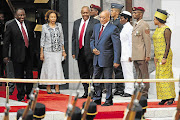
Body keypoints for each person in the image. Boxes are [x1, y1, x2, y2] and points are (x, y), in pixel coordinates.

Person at [90, 10, 121, 106]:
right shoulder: (96, 27)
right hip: (97, 58)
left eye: (104, 17)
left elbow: (117, 46)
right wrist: (93, 48)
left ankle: (108, 99)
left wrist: (116, 60)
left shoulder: (113, 28)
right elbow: (92, 39)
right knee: (96, 79)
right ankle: (97, 97)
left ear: (108, 18)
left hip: (107, 58)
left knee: (108, 80)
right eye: (100, 17)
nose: (101, 19)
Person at [3, 8, 34, 101]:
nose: (22, 17)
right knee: (19, 75)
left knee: (29, 75)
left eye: (23, 15)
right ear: (15, 15)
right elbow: (6, 42)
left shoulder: (29, 24)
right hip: (17, 54)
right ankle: (20, 95)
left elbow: (32, 38)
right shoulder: (10, 25)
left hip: (29, 53)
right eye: (20, 15)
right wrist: (5, 55)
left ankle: (29, 94)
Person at [72, 6, 99, 98]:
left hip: (91, 52)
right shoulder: (76, 23)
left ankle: (94, 92)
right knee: (83, 73)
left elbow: (97, 38)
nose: (85, 14)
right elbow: (74, 38)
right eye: (83, 13)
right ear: (81, 13)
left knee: (92, 73)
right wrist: (73, 51)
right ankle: (86, 91)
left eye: (87, 12)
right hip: (79, 51)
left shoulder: (95, 22)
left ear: (90, 13)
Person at [40, 10, 66, 94]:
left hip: (58, 51)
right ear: (48, 18)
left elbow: (62, 39)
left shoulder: (59, 26)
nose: (53, 18)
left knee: (57, 68)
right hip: (47, 51)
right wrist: (41, 52)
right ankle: (48, 87)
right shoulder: (44, 27)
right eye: (51, 17)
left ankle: (57, 87)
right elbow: (42, 40)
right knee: (49, 69)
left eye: (54, 17)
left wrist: (63, 51)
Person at [153, 9, 175, 105]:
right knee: (159, 76)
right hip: (158, 56)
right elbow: (156, 43)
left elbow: (168, 44)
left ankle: (170, 96)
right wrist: (155, 56)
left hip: (165, 56)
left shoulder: (166, 29)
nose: (153, 21)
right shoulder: (158, 29)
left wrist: (164, 57)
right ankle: (164, 96)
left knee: (165, 75)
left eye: (154, 19)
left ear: (159, 19)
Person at [131, 7, 151, 98]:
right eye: (133, 13)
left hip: (142, 55)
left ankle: (144, 93)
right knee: (138, 75)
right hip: (136, 55)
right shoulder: (135, 24)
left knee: (144, 75)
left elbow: (147, 41)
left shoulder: (144, 25)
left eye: (136, 13)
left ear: (141, 14)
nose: (134, 14)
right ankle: (139, 92)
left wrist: (147, 55)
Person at [110, 3, 124, 96]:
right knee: (116, 69)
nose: (111, 12)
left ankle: (120, 88)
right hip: (113, 48)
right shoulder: (113, 21)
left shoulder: (118, 23)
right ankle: (118, 87)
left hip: (118, 48)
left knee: (118, 69)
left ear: (117, 12)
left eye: (112, 10)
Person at [119, 11, 134, 97]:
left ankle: (130, 90)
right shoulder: (124, 27)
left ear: (126, 19)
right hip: (123, 54)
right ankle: (127, 89)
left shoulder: (129, 28)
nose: (120, 20)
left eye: (122, 18)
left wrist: (131, 55)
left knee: (128, 73)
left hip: (127, 54)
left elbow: (131, 42)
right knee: (125, 72)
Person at [0, 11, 5, 78]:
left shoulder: (5, 25)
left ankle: (1, 74)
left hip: (3, 46)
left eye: (2, 17)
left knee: (2, 62)